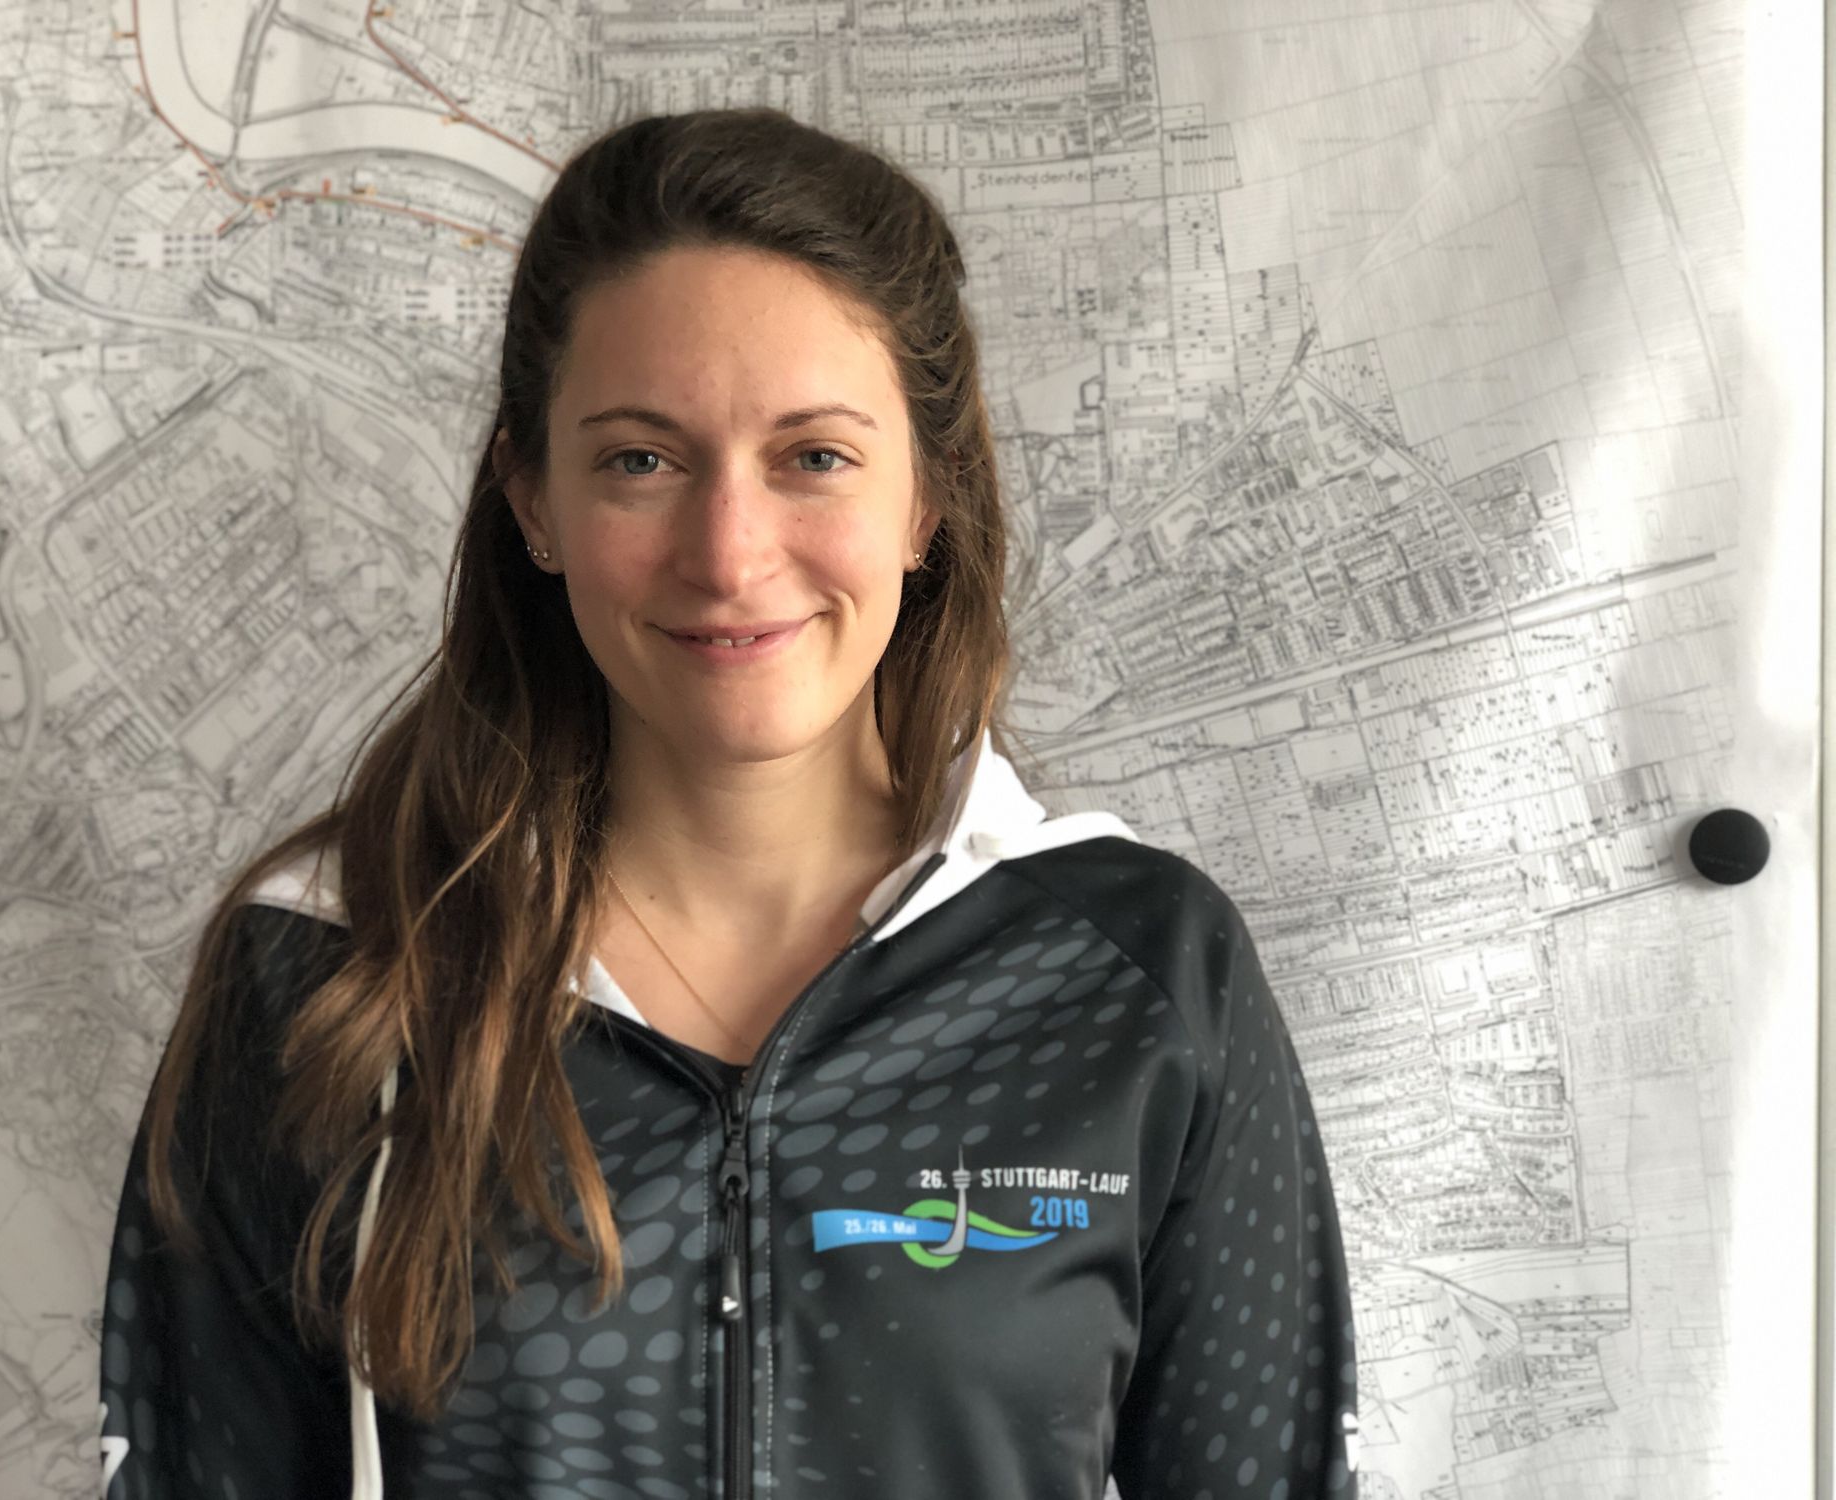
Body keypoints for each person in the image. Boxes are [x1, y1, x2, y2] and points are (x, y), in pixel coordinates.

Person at [96, 106, 1359, 1500]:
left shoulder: (1139, 974)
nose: (729, 552)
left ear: (928, 499)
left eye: (815, 456)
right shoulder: (324, 977)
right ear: (533, 499)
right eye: (641, 459)